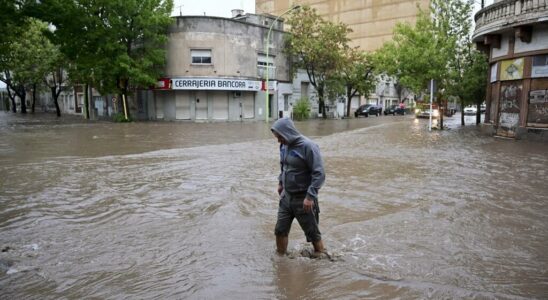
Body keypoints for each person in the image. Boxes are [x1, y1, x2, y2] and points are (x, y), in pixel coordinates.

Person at [271, 118, 326, 257]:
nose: (279, 141)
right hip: (286, 197)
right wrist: (280, 183)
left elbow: (319, 174)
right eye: (277, 137)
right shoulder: (284, 145)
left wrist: (310, 197)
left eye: (280, 137)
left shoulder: (309, 146)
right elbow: (283, 166)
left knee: (313, 234)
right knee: (280, 230)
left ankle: (321, 256)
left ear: (288, 132)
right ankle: (280, 259)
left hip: (304, 199)